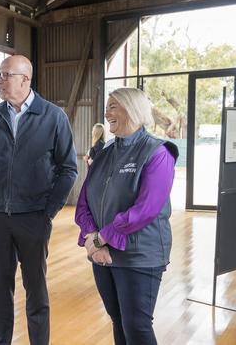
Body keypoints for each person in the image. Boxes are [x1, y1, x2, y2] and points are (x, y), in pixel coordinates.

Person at [0, 55, 78, 345]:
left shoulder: (53, 117)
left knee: (36, 289)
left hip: (34, 216)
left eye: (5, 75)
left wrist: (48, 212)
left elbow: (69, 169)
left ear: (25, 79)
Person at [74, 87, 178, 345]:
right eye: (107, 106)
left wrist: (100, 239)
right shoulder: (105, 153)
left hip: (139, 254)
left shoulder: (157, 153)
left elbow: (145, 210)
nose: (107, 113)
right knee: (118, 320)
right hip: (102, 252)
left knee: (137, 326)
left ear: (133, 109)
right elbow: (84, 201)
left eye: (113, 106)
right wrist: (91, 237)